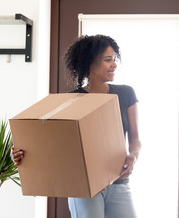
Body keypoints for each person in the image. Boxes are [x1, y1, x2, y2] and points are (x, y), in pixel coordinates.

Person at [11, 34, 141, 218]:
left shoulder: (126, 93)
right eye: (107, 60)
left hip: (119, 182)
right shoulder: (70, 101)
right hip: (84, 187)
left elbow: (135, 138)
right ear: (89, 63)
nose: (114, 64)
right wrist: (22, 155)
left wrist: (133, 156)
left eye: (114, 59)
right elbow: (52, 145)